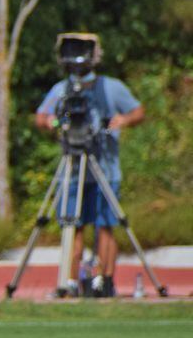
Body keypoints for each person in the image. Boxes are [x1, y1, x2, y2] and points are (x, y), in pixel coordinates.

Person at [35, 33, 145, 298]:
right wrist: (52, 123)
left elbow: (138, 111)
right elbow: (41, 116)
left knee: (106, 224)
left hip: (104, 167)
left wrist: (122, 121)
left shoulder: (111, 87)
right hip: (73, 169)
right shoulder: (62, 89)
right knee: (72, 225)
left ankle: (104, 281)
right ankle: (70, 281)